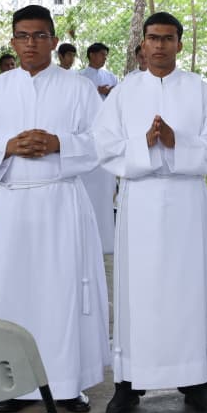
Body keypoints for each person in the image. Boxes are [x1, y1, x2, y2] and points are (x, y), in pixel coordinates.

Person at [94, 12, 207, 413]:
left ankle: (196, 382)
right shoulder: (123, 93)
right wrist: (144, 144)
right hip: (140, 202)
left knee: (190, 290)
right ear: (142, 44)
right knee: (139, 292)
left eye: (168, 39)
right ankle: (128, 384)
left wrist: (176, 143)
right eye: (153, 38)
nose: (159, 46)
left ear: (179, 44)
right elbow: (104, 147)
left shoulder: (199, 91)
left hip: (186, 201)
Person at [0, 5, 109, 413]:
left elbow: (103, 142)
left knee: (64, 292)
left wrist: (60, 144)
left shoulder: (78, 89)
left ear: (54, 42)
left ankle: (66, 383)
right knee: (10, 294)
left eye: (40, 36)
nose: (31, 43)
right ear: (13, 41)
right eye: (23, 35)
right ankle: (11, 385)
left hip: (60, 201)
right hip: (13, 205)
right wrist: (7, 146)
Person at [78, 42, 119, 254]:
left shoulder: (111, 77)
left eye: (105, 55)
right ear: (91, 55)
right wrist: (96, 90)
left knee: (105, 189)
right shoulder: (79, 78)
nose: (103, 58)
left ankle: (105, 237)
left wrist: (110, 92)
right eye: (101, 54)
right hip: (85, 134)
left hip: (107, 132)